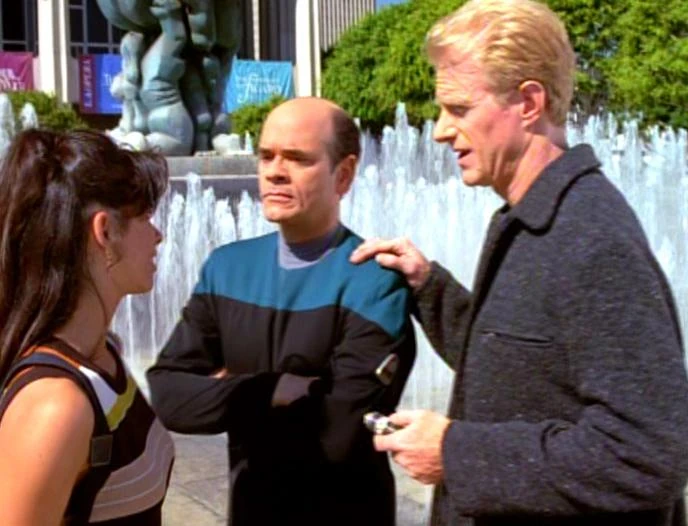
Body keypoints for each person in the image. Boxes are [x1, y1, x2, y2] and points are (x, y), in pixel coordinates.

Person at [350, 1, 688, 525]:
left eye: (459, 108)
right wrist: (429, 286)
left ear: (529, 103)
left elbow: (649, 453)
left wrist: (456, 453)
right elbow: (518, 369)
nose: (440, 130)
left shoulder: (590, 236)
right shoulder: (533, 218)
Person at [147, 97, 416, 526]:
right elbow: (167, 394)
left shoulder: (375, 281)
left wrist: (224, 392)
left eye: (297, 158)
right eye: (266, 155)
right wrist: (270, 389)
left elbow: (338, 433)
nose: (274, 171)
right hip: (250, 510)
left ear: (343, 175)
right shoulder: (227, 267)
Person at [0, 129, 174, 525]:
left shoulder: (103, 352)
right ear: (105, 231)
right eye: (145, 218)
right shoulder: (55, 407)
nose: (159, 235)